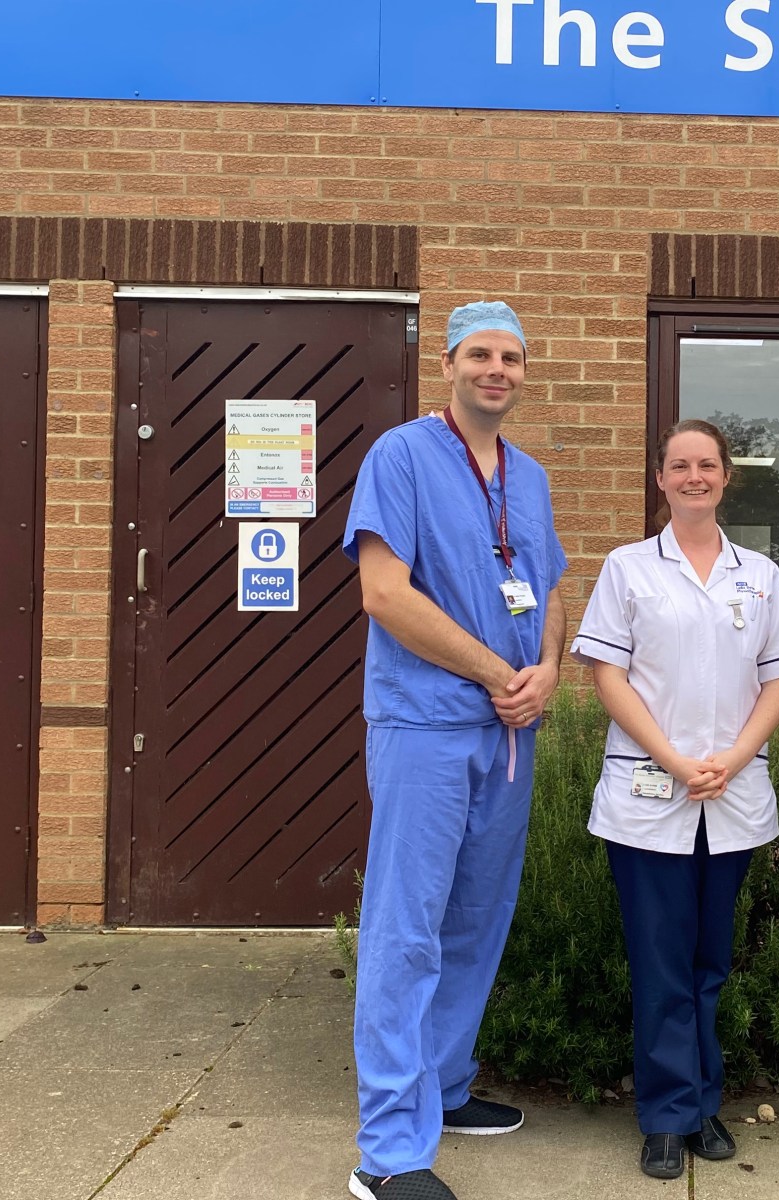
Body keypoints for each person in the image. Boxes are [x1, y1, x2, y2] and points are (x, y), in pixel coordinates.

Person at [342, 301, 568, 1200]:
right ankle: (391, 1152)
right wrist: (494, 675)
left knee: (477, 918)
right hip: (428, 726)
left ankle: (444, 1085)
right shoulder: (398, 457)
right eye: (481, 354)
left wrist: (547, 668)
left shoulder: (532, 476)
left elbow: (549, 584)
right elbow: (384, 595)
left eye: (512, 357)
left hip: (509, 730)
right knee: (407, 929)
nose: (497, 370)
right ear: (448, 363)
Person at [570, 418, 779, 1180]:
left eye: (708, 464)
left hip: (732, 794)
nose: (695, 476)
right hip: (650, 792)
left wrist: (733, 759)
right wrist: (674, 759)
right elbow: (608, 675)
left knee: (710, 962)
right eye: (681, 466)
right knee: (660, 963)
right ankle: (668, 1116)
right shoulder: (628, 568)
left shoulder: (760, 574)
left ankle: (705, 1101)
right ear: (661, 479)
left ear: (726, 476)